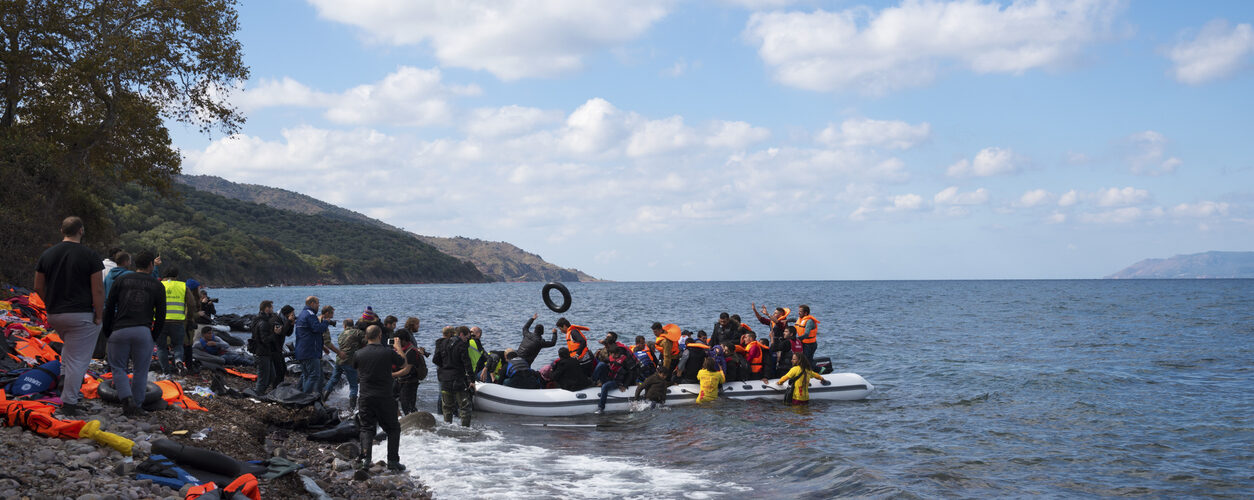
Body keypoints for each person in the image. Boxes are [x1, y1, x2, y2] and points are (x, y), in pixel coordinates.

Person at [34, 217, 105, 417]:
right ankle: (69, 403)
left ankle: (65, 378)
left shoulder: (47, 254)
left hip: (55, 314)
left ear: (62, 230)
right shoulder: (90, 255)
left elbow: (38, 286)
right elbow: (98, 289)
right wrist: (99, 315)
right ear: (81, 230)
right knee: (79, 359)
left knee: (70, 350)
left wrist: (50, 303)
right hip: (81, 314)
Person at [99, 250, 164, 416]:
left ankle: (126, 400)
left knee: (118, 368)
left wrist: (108, 330)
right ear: (151, 265)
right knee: (140, 371)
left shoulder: (121, 279)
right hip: (143, 331)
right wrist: (153, 336)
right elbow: (161, 315)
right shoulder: (157, 285)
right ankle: (138, 404)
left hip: (119, 329)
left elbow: (109, 307)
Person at [353, 325, 405, 471]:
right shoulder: (387, 352)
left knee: (366, 428)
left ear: (366, 337)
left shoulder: (358, 353)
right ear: (380, 335)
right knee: (393, 428)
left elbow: (355, 367)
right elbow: (402, 362)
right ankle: (393, 462)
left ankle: (365, 460)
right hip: (384, 396)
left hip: (365, 396)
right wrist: (398, 347)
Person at [155, 265, 193, 375]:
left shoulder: (158, 285)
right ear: (177, 275)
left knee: (161, 347)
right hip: (178, 321)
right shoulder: (183, 286)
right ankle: (178, 361)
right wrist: (189, 318)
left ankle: (166, 373)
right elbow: (191, 304)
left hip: (160, 321)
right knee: (178, 345)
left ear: (165, 274)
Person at [433, 326, 474, 427]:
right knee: (464, 406)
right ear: (461, 335)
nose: (467, 340)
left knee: (447, 407)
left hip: (445, 378)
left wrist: (445, 367)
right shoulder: (461, 345)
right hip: (458, 379)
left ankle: (448, 427)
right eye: (466, 337)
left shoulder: (442, 343)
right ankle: (465, 429)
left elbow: (435, 360)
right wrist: (472, 380)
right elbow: (467, 363)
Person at [293, 296, 334, 395]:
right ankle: (305, 397)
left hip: (301, 350)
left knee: (306, 375)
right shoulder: (310, 315)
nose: (319, 305)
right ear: (312, 303)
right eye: (317, 303)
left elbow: (310, 332)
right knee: (314, 375)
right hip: (310, 350)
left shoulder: (301, 314)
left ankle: (299, 396)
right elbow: (317, 329)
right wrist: (326, 322)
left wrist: (322, 346)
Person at [323, 318, 365, 408]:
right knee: (353, 385)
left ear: (344, 325)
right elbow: (366, 342)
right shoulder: (358, 332)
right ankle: (352, 408)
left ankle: (323, 400)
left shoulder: (341, 334)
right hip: (349, 361)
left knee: (333, 379)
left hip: (339, 361)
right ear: (352, 325)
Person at [250, 301, 284, 395]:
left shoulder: (258, 319)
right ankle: (258, 395)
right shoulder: (263, 323)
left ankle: (261, 393)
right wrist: (275, 334)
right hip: (262, 353)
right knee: (263, 378)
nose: (273, 310)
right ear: (266, 308)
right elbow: (265, 340)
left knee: (272, 376)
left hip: (265, 352)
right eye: (271, 308)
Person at [392, 329, 426, 415]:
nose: (396, 342)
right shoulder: (399, 350)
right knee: (390, 399)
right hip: (399, 380)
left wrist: (391, 375)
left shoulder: (411, 351)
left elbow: (406, 370)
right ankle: (400, 418)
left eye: (398, 340)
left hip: (410, 382)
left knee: (407, 405)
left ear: (403, 340)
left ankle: (415, 422)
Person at [594, 345, 636, 415]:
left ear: (617, 354)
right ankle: (593, 380)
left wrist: (625, 385)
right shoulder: (610, 358)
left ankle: (601, 408)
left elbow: (630, 374)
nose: (611, 355)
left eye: (612, 354)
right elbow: (602, 363)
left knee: (605, 386)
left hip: (617, 381)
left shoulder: (624, 360)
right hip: (609, 378)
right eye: (611, 354)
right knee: (601, 364)